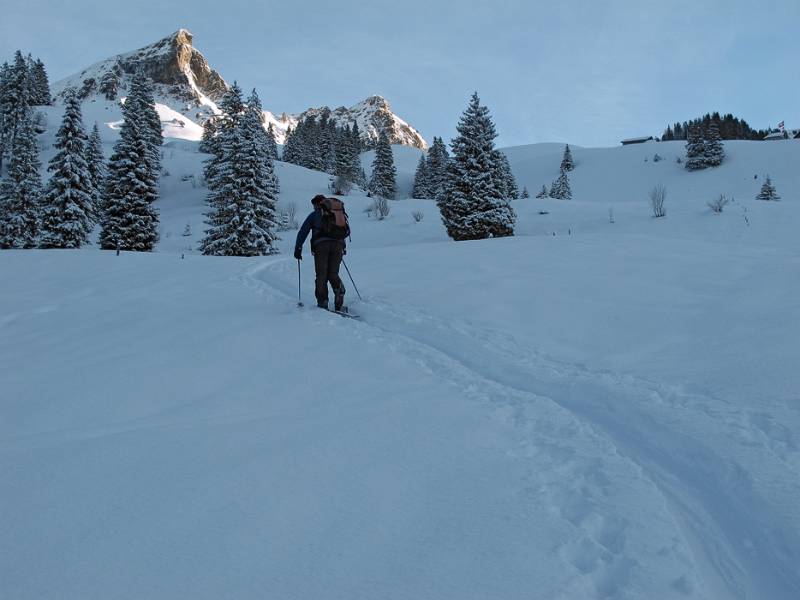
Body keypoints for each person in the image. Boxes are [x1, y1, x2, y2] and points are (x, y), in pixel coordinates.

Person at [294, 194, 348, 311]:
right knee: (333, 273)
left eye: (314, 204)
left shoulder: (314, 215)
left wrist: (298, 248)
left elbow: (303, 231)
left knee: (321, 275)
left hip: (321, 246)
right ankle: (339, 289)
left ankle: (323, 302)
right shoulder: (336, 214)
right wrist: (343, 247)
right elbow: (341, 231)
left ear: (317, 204)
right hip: (337, 245)